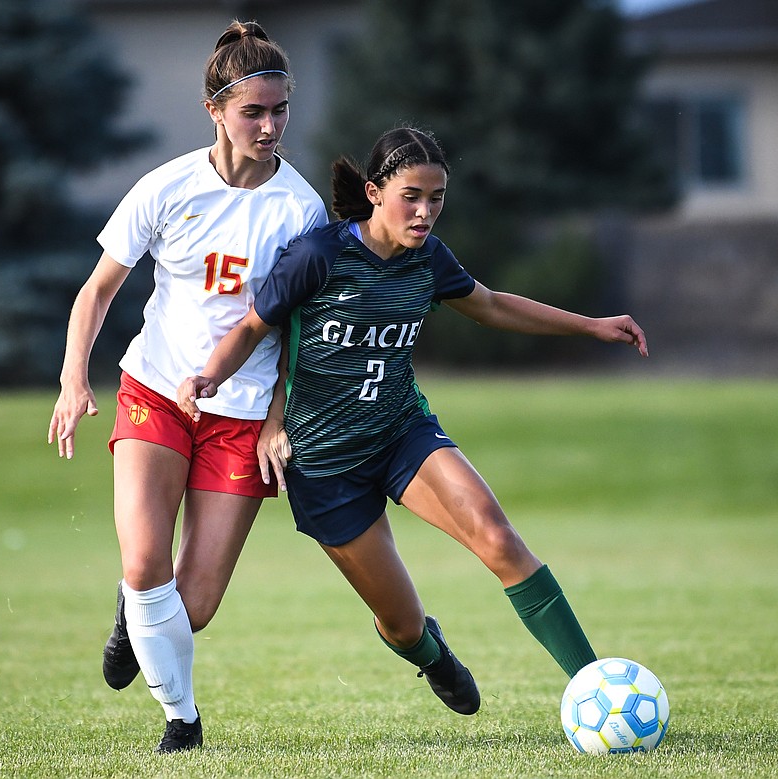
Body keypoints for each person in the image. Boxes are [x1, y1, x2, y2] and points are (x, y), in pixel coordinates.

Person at [175, 126, 649, 715]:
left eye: (437, 198)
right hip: (324, 466)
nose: (425, 212)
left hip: (403, 434)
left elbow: (493, 305)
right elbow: (253, 327)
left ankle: (596, 688)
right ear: (375, 192)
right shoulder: (319, 255)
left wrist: (591, 324)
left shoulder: (430, 261)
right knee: (399, 624)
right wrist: (210, 378)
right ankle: (432, 654)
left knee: (497, 537)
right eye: (412, 196)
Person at [47, 20, 326, 753]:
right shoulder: (166, 187)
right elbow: (97, 291)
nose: (270, 126)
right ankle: (184, 720)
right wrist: (75, 377)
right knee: (147, 564)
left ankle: (132, 611)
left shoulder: (300, 210)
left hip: (240, 416)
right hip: (157, 389)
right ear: (215, 110)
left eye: (280, 110)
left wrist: (274, 420)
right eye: (253, 112)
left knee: (190, 605)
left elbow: (298, 332)